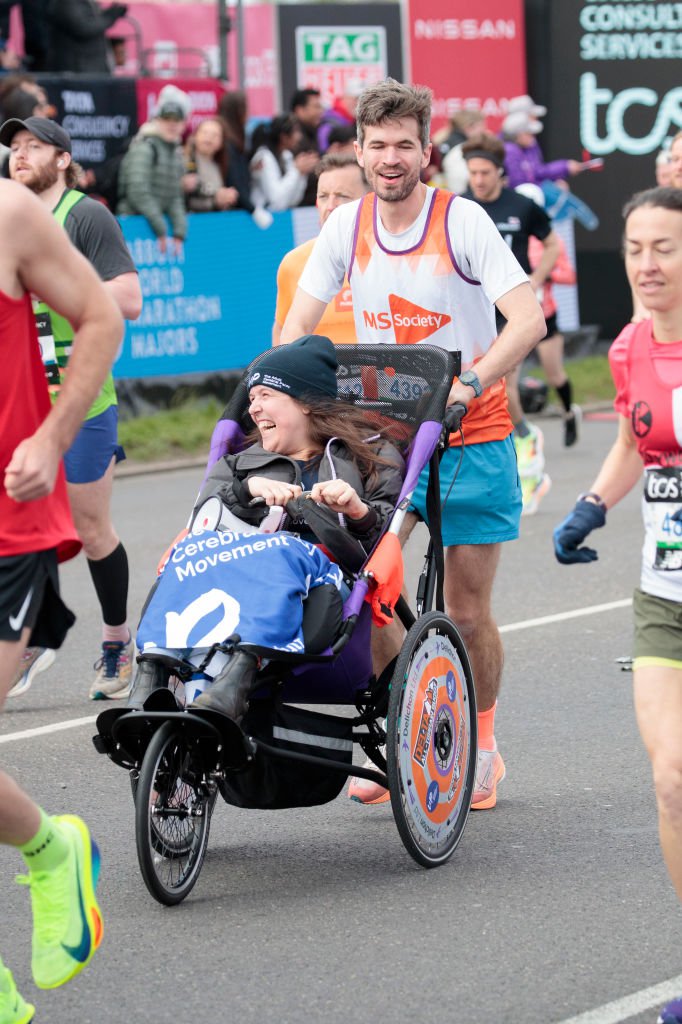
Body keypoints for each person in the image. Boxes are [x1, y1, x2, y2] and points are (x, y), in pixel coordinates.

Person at [280, 78, 546, 809]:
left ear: (427, 151)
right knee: (369, 598)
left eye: (405, 144)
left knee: (464, 610)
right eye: (378, 146)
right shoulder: (346, 228)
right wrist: (296, 389)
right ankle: (407, 729)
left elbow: (527, 321)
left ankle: (482, 745)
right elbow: (294, 332)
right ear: (360, 153)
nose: (391, 158)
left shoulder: (462, 223)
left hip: (472, 434)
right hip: (385, 443)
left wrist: (473, 381)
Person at [552, 187, 682, 1024]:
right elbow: (639, 438)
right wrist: (594, 504)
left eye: (665, 247)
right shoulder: (632, 344)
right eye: (636, 247)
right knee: (673, 781)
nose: (646, 264)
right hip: (665, 596)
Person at [130, 334, 404, 720]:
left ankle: (238, 676)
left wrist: (357, 510)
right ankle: (150, 673)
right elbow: (201, 521)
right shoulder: (239, 464)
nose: (254, 409)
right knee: (186, 551)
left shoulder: (368, 457)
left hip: (322, 588)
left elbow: (380, 546)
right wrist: (247, 490)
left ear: (307, 403)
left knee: (280, 550)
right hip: (233, 574)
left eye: (265, 396)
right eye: (252, 398)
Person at [0, 177, 123, 1024]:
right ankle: (54, 848)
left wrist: (51, 433)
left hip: (8, 521)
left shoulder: (9, 211)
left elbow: (101, 318)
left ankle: (49, 852)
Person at [2, 115, 142, 701]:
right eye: (13, 147)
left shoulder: (83, 215)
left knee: (87, 526)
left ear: (63, 159)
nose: (20, 155)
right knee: (20, 530)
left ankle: (116, 641)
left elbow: (128, 298)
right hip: (18, 401)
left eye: (34, 146)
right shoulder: (9, 220)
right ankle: (31, 633)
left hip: (78, 399)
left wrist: (47, 282)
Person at [461, 134, 560, 515]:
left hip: (510, 308)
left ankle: (524, 440)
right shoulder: (462, 207)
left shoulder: (521, 205)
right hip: (475, 308)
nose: (479, 180)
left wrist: (536, 279)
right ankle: (519, 445)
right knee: (482, 391)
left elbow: (551, 245)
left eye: (485, 172)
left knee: (505, 384)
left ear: (500, 172)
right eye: (473, 173)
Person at [273, 153, 369, 346]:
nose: (330, 206)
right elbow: (282, 332)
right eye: (323, 196)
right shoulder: (294, 263)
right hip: (321, 376)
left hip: (387, 375)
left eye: (343, 196)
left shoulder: (395, 258)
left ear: (370, 201)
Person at [515, 182, 581, 449]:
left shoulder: (550, 239)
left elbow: (569, 275)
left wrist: (542, 277)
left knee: (555, 375)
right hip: (515, 317)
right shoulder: (506, 234)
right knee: (507, 380)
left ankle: (568, 413)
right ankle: (521, 436)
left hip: (545, 315)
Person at [117, 84, 191, 253]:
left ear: (183, 124)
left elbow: (174, 196)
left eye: (177, 120)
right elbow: (137, 191)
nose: (172, 125)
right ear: (157, 120)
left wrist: (179, 232)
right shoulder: (144, 147)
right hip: (133, 226)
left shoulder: (175, 152)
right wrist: (161, 228)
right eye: (167, 119)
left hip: (153, 229)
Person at [249, 114, 318, 213]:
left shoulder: (286, 155)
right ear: (283, 137)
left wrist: (301, 174)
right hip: (260, 220)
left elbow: (294, 200)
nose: (299, 137)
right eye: (295, 132)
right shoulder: (263, 157)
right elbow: (276, 201)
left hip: (279, 218)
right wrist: (296, 170)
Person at [45, 0, 127, 74]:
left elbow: (92, 20)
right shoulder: (67, 2)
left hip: (92, 67)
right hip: (78, 68)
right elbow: (84, 27)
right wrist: (110, 16)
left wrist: (109, 13)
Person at [183, 117, 239, 213]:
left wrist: (226, 198)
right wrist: (215, 201)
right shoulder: (184, 161)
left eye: (215, 135)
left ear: (221, 143)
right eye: (204, 133)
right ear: (195, 135)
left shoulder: (218, 166)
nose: (208, 138)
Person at [290, 88, 323, 206]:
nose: (321, 111)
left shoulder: (312, 132)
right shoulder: (293, 138)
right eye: (316, 107)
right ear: (300, 110)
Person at [317, 79, 364, 154]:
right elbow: (323, 153)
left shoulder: (360, 120)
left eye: (363, 99)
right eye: (356, 98)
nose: (359, 103)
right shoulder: (329, 120)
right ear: (345, 98)